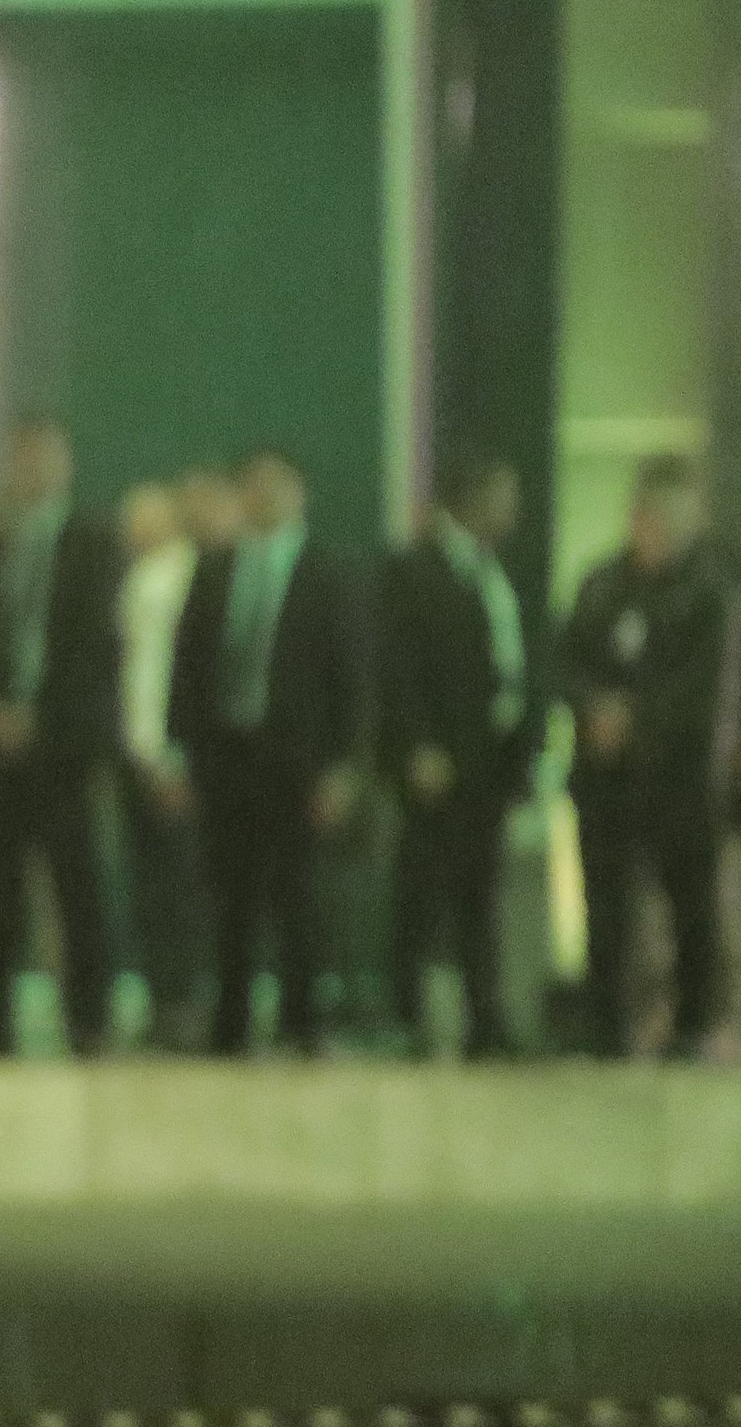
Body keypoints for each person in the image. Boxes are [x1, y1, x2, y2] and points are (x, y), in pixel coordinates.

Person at [170, 448, 366, 1056]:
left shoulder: (328, 572)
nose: (264, 498)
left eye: (277, 487)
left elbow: (353, 678)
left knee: (299, 896)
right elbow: (188, 667)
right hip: (227, 757)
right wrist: (181, 752)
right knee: (231, 896)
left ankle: (303, 1023)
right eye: (252, 487)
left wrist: (343, 767)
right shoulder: (215, 568)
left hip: (298, 763)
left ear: (299, 495)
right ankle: (229, 1025)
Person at [0, 420, 124, 1057]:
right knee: (1, 887)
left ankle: (89, 1020)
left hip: (65, 745)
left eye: (43, 459)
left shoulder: (94, 546)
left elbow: (94, 651)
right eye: (21, 461)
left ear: (65, 466)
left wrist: (42, 718)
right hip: (0, 752)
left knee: (77, 882)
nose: (31, 472)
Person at [562, 454, 732, 1060]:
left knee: (691, 905)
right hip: (605, 782)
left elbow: (699, 685)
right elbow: (568, 662)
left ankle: (690, 1026)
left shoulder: (707, 593)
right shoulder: (600, 584)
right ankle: (605, 1025)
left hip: (677, 782)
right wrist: (593, 711)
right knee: (604, 904)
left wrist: (635, 719)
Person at [378, 454, 534, 1058]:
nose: (512, 509)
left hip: (489, 763)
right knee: (420, 891)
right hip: (435, 764)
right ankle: (406, 1017)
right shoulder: (414, 569)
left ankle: (484, 1019)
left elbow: (516, 663)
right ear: (470, 499)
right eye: (503, 494)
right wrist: (417, 746)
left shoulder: (500, 570)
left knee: (480, 893)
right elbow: (398, 668)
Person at [114, 477, 217, 1049]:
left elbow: (159, 680)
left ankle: (181, 1004)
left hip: (163, 758)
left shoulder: (174, 581)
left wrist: (165, 756)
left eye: (143, 517)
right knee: (152, 886)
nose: (132, 528)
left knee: (177, 887)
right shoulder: (140, 579)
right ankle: (163, 998)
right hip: (141, 756)